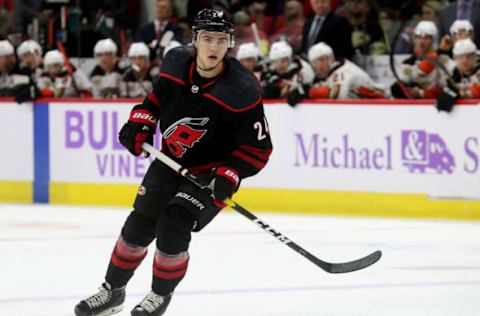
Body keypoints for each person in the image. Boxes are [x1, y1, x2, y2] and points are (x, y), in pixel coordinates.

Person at [74, 8, 272, 316]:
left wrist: (230, 174)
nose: (214, 47)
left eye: (221, 40)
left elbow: (257, 148)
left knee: (174, 223)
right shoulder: (175, 63)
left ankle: (159, 296)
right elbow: (154, 102)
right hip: (169, 160)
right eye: (207, 38)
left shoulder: (242, 88)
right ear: (195, 40)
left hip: (210, 172)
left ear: (230, 43)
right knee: (138, 226)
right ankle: (112, 292)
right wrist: (140, 123)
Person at [287, 42, 385, 106]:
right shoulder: (330, 72)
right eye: (315, 62)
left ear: (331, 58)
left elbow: (337, 95)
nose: (319, 65)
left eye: (322, 60)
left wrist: (309, 92)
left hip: (384, 103)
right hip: (369, 107)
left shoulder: (344, 71)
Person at [390, 21, 447, 99]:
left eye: (426, 37)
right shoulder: (407, 63)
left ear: (434, 39)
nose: (422, 41)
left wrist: (421, 93)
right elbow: (398, 88)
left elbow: (448, 89)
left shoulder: (443, 60)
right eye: (418, 37)